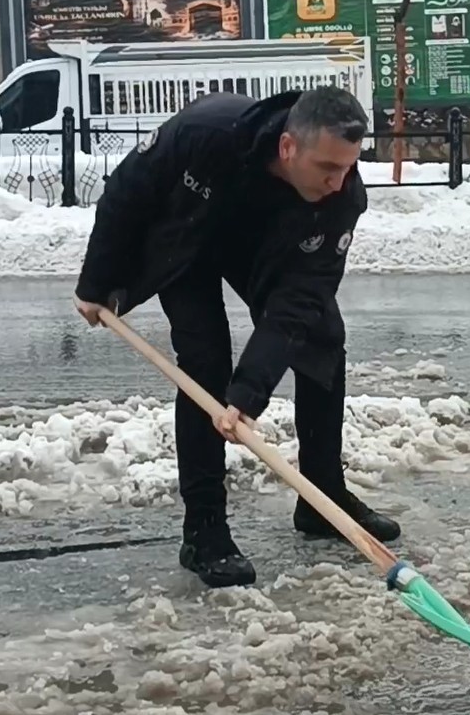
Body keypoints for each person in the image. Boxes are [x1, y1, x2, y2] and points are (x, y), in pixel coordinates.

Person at [72, 85, 401, 589]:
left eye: (348, 167)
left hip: (265, 246)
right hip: (188, 238)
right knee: (204, 362)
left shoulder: (340, 199)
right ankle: (203, 529)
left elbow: (299, 303)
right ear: (288, 148)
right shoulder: (205, 133)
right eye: (327, 168)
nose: (339, 182)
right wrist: (96, 283)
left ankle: (322, 499)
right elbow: (128, 191)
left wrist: (249, 394)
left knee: (321, 339)